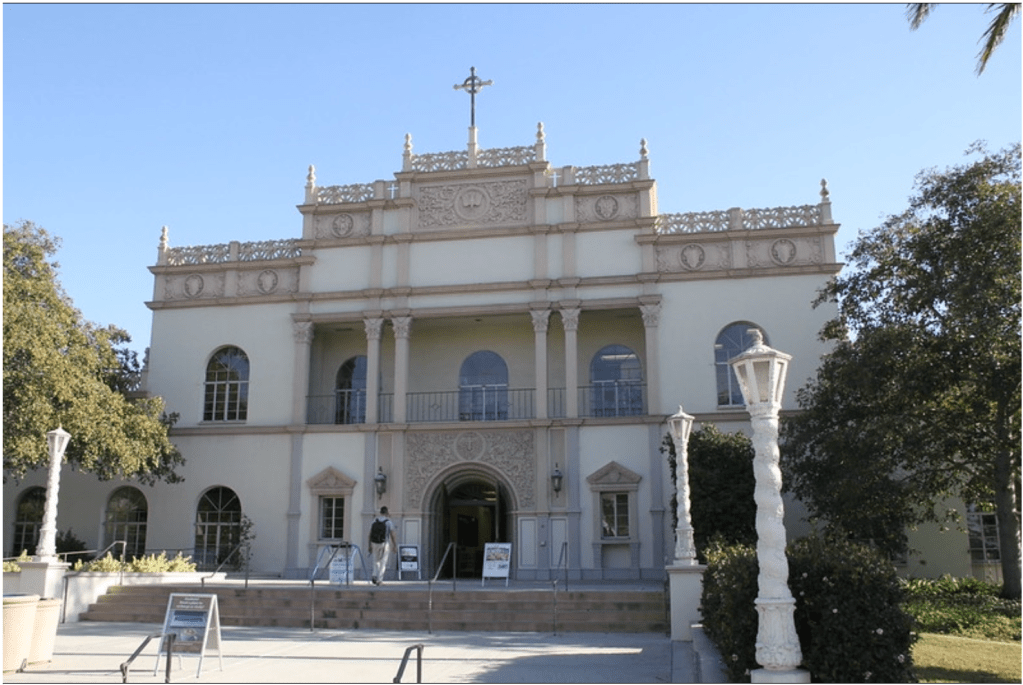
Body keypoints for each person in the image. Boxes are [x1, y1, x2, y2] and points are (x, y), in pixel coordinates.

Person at [369, 506, 397, 586]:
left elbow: (370, 534)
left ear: (380, 512)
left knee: (375, 560)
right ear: (387, 513)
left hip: (374, 543)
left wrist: (369, 545)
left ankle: (374, 574)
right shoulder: (388, 522)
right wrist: (394, 545)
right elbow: (392, 534)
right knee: (383, 562)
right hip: (384, 544)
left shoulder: (374, 521)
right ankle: (380, 580)